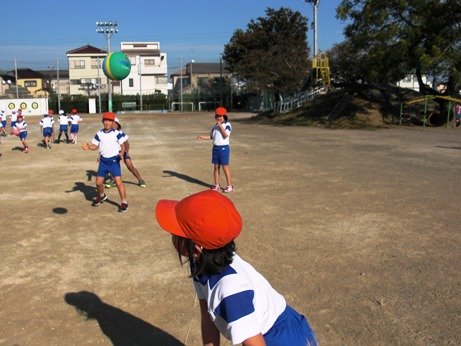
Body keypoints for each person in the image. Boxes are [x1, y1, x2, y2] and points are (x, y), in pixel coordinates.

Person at [155, 190, 318, 346]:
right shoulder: (199, 262)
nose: (172, 236)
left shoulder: (230, 291)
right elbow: (207, 316)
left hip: (280, 339)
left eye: (176, 233)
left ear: (197, 249)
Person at [81, 112, 129, 213]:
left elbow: (123, 145)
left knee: (118, 182)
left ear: (113, 123)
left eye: (110, 121)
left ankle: (124, 202)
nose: (107, 123)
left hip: (114, 161)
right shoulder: (99, 133)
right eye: (105, 121)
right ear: (103, 122)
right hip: (103, 162)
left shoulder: (116, 133)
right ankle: (102, 196)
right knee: (98, 183)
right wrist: (89, 147)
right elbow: (95, 146)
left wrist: (122, 153)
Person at [196, 107, 233, 193]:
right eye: (217, 116)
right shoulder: (214, 126)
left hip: (224, 148)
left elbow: (225, 135)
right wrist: (203, 137)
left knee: (225, 167)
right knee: (216, 167)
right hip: (215, 148)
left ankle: (229, 186)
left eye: (220, 116)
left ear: (224, 116)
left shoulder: (227, 125)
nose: (218, 118)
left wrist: (220, 125)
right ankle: (216, 184)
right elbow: (212, 137)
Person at [104, 117, 146, 188]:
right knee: (112, 168)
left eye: (115, 123)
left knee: (130, 167)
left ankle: (140, 180)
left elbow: (127, 144)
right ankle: (113, 181)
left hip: (123, 152)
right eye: (112, 123)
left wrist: (125, 152)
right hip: (114, 153)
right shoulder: (108, 134)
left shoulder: (120, 133)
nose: (113, 125)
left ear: (117, 125)